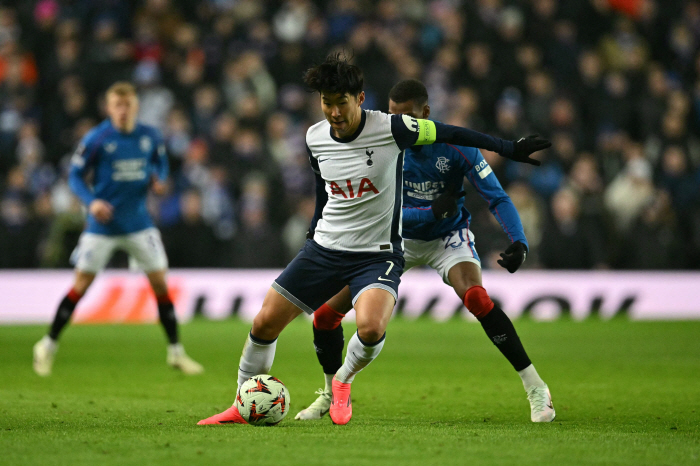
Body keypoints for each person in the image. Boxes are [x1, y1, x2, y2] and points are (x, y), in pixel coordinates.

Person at [197, 54, 549, 426]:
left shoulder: (395, 131)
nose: (333, 111)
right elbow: (325, 188)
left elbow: (459, 142)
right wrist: (316, 227)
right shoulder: (316, 137)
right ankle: (264, 399)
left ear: (361, 99)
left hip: (409, 244)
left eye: (340, 102)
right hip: (346, 242)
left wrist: (509, 151)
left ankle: (534, 386)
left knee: (451, 304)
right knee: (293, 319)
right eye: (326, 103)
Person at [294, 79, 555, 424]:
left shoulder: (455, 148)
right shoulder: (383, 146)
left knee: (477, 298)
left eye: (407, 117)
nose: (400, 125)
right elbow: (371, 207)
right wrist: (429, 212)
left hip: (446, 238)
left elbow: (498, 196)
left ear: (425, 114)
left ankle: (536, 388)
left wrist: (519, 240)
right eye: (393, 116)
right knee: (325, 317)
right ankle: (330, 394)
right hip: (389, 239)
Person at [32, 82, 203, 376]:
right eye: (117, 105)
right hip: (103, 225)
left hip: (139, 224)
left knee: (161, 284)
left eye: (127, 105)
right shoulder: (97, 138)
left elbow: (161, 164)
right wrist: (91, 201)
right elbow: (74, 175)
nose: (122, 111)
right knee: (81, 285)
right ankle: (47, 345)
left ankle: (176, 352)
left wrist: (160, 179)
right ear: (109, 108)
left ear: (135, 107)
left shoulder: (150, 136)